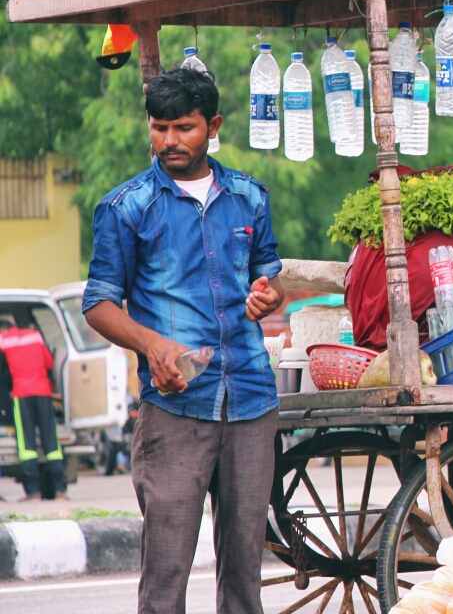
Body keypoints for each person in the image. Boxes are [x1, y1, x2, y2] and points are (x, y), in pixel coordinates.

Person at [82, 67, 285, 614]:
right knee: (166, 572)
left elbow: (272, 278)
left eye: (184, 128)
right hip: (175, 409)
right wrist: (152, 345)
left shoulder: (249, 197)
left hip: (250, 400)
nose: (169, 140)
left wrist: (270, 296)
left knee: (246, 571)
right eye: (159, 127)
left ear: (212, 125)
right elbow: (97, 303)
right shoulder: (126, 207)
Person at [0, 313, 66, 500]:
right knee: (51, 442)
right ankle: (60, 489)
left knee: (27, 443)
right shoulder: (34, 337)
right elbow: (50, 363)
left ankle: (33, 491)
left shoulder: (4, 341)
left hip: (22, 395)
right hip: (43, 392)